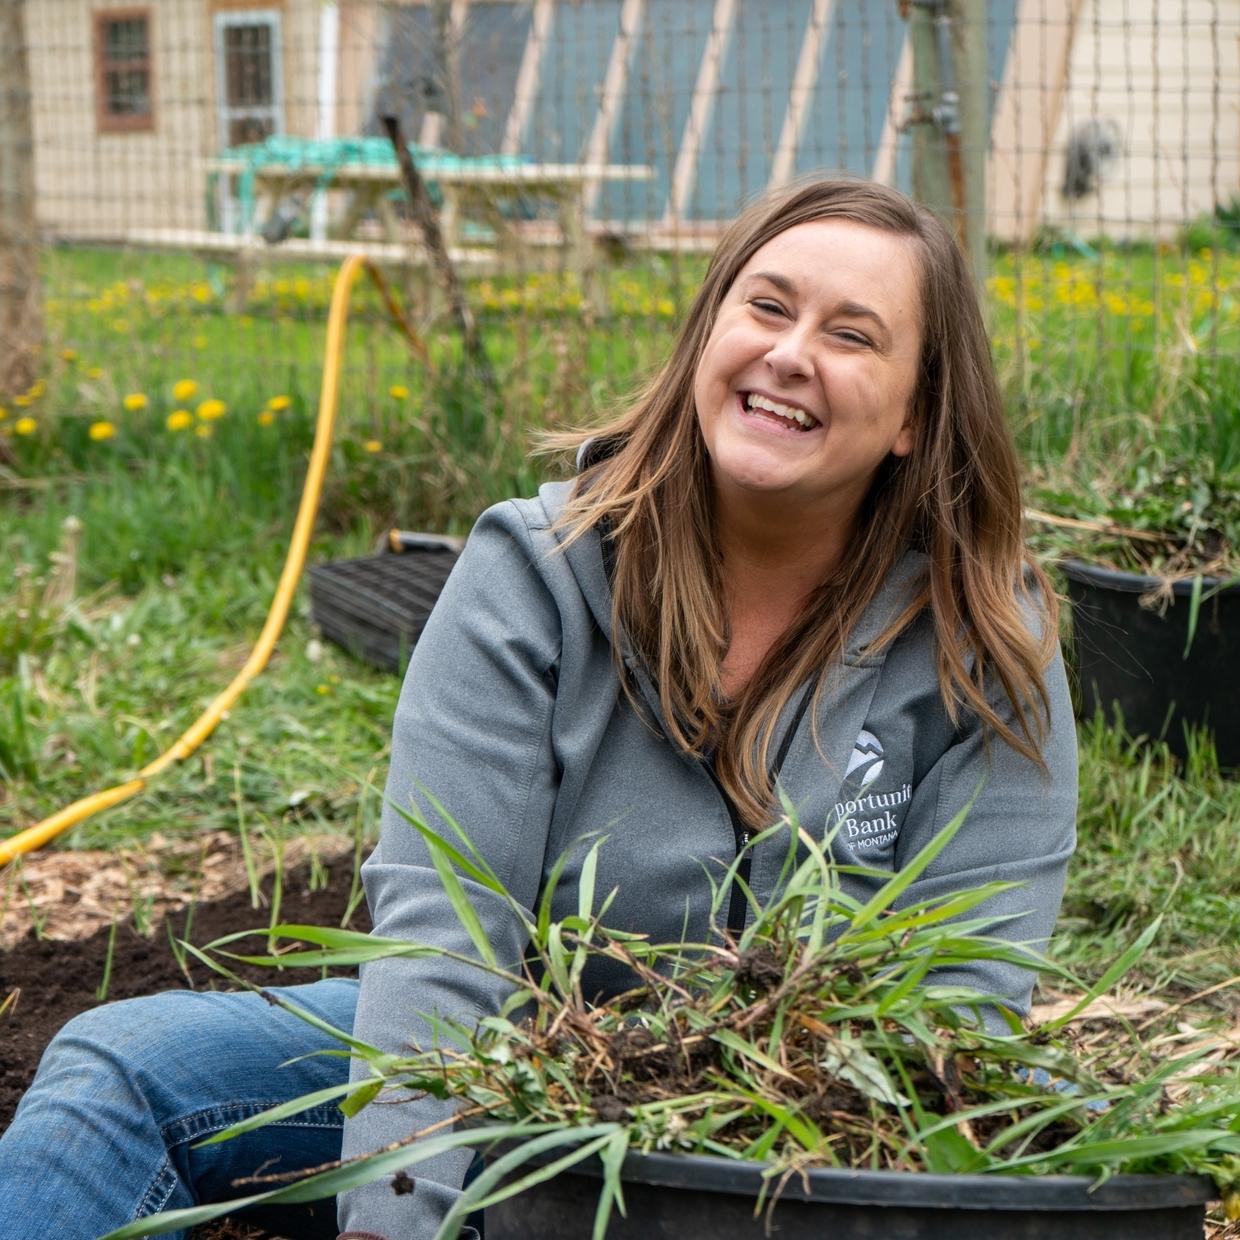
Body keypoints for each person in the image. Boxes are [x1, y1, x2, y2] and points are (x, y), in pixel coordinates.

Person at [0, 177, 1077, 1240]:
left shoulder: (984, 639)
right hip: (528, 1066)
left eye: (852, 335)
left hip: (812, 1133)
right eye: (766, 306)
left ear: (914, 415)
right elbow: (442, 924)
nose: (791, 352)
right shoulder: (539, 571)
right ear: (709, 334)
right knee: (120, 1072)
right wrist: (398, 1211)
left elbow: (964, 1007)